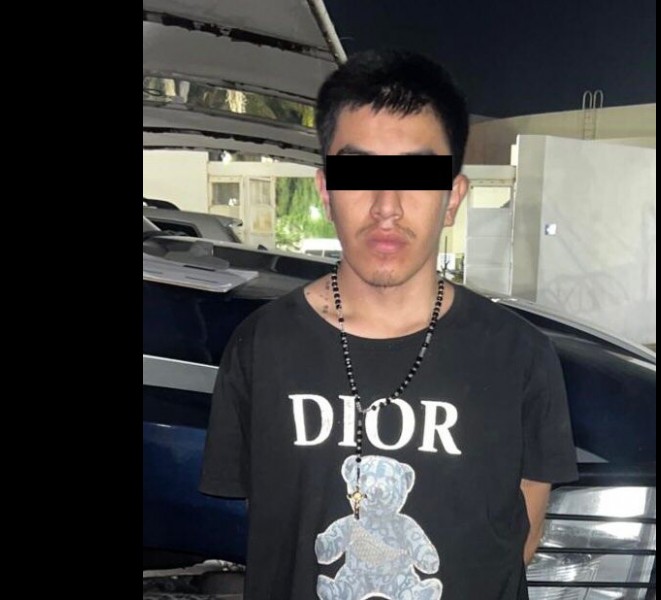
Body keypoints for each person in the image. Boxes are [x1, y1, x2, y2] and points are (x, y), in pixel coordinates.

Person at [200, 49, 578, 600]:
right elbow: (280, 535)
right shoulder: (261, 348)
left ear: (452, 197)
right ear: (326, 191)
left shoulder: (520, 357)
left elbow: (517, 542)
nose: (386, 206)